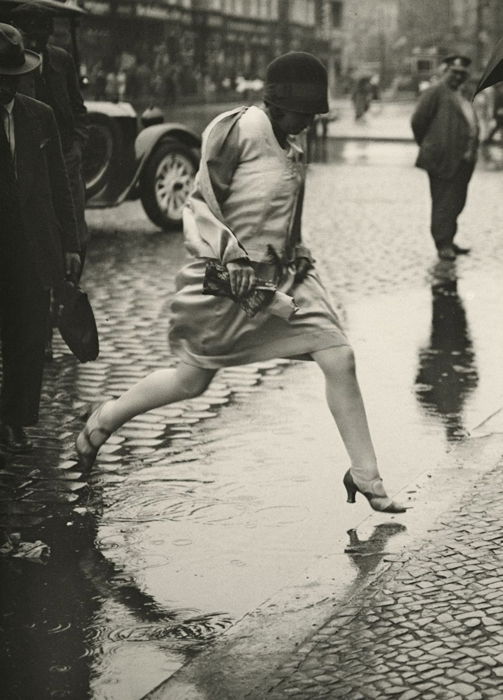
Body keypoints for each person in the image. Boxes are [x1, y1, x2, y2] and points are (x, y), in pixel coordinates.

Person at [76, 51, 405, 514]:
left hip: (286, 275)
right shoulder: (236, 130)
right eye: (303, 112)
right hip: (224, 279)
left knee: (339, 356)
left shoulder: (293, 141)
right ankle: (104, 418)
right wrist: (238, 271)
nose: (310, 121)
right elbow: (199, 207)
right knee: (191, 381)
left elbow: (289, 218)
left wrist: (298, 260)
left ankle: (366, 474)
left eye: (315, 113)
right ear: (275, 103)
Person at [0, 23, 81, 452]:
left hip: (32, 245)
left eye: (14, 80)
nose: (9, 89)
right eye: (2, 81)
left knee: (28, 335)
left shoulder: (39, 116)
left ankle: (15, 418)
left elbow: (59, 186)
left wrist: (69, 243)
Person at [411, 55, 479, 261]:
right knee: (443, 203)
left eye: (462, 74)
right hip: (443, 159)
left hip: (464, 160)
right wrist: (432, 145)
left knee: (457, 202)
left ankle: (449, 239)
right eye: (454, 73)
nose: (458, 77)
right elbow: (418, 121)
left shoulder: (462, 94)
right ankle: (443, 244)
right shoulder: (435, 92)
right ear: (445, 71)